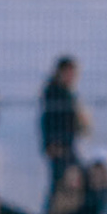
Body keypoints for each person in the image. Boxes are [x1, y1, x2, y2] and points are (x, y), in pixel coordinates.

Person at [40, 56, 89, 191]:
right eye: (68, 73)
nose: (71, 77)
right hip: (59, 146)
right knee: (62, 181)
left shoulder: (68, 94)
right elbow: (47, 121)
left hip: (68, 144)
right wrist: (51, 143)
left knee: (69, 180)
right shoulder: (54, 94)